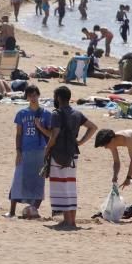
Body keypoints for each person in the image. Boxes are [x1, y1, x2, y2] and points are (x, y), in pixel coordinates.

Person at [44, 85, 99, 230]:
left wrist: (47, 148)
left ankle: (68, 221)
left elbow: (54, 135)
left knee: (61, 185)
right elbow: (93, 127)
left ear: (58, 98)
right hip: (73, 153)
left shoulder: (56, 114)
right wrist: (80, 142)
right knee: (70, 185)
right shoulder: (77, 114)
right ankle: (71, 220)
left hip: (59, 153)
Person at [6, 85, 51, 218]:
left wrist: (40, 126)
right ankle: (12, 211)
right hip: (25, 150)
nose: (32, 97)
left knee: (39, 181)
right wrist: (18, 151)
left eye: (34, 94)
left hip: (40, 151)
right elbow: (18, 134)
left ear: (38, 95)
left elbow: (50, 134)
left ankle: (33, 209)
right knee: (18, 179)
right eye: (30, 95)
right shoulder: (21, 114)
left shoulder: (47, 114)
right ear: (26, 97)